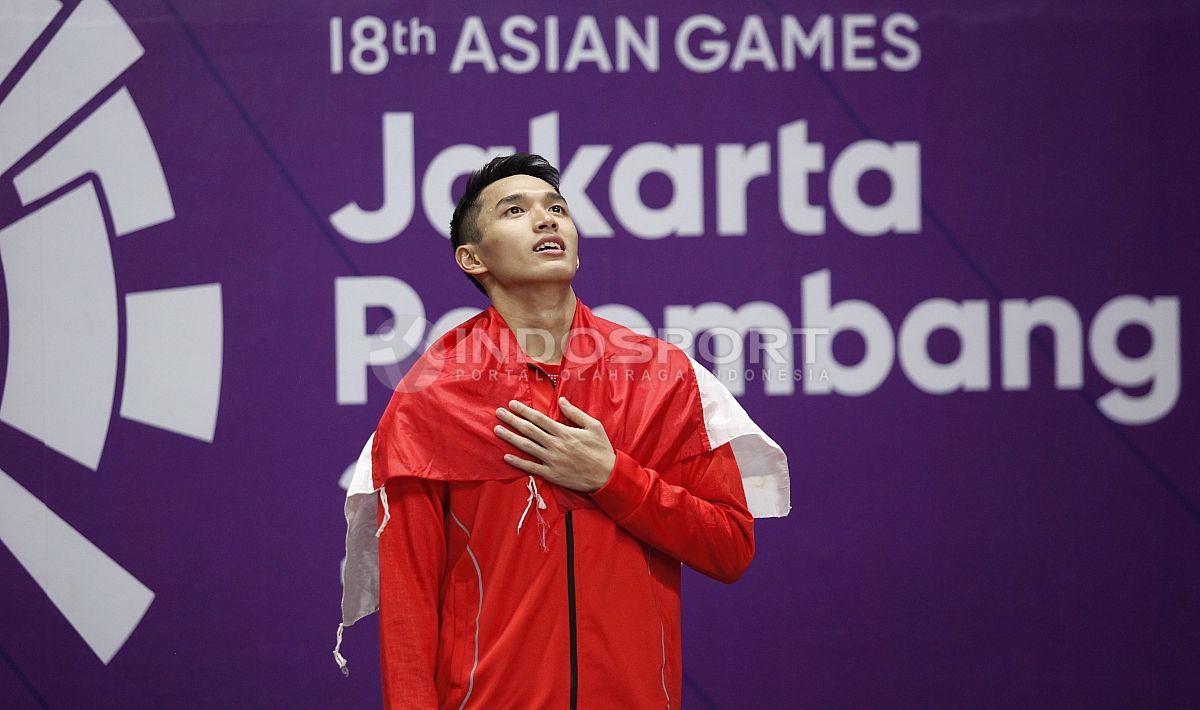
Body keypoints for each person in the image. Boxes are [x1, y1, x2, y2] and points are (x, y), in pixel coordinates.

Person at [337, 153, 789, 709]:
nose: (546, 219)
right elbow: (409, 609)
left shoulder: (662, 376)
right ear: (471, 257)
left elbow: (729, 548)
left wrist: (611, 478)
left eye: (557, 208)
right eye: (515, 210)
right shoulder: (431, 399)